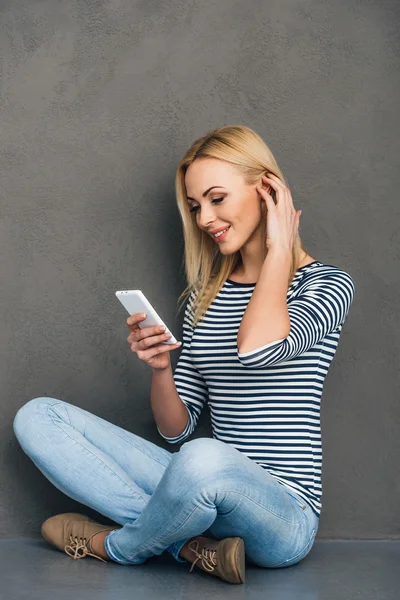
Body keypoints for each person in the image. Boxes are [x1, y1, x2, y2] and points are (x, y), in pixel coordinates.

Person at [13, 125, 355, 585]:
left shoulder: (327, 285)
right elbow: (179, 431)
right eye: (195, 206)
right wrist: (160, 370)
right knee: (37, 417)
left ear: (267, 191)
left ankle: (115, 546)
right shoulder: (204, 297)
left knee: (204, 458)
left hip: (282, 516)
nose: (204, 219)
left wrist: (277, 249)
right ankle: (193, 548)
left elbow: (259, 350)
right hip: (198, 495)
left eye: (217, 198)